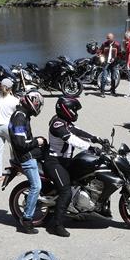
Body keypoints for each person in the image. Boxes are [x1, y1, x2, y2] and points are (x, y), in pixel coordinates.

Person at [45, 96, 98, 237]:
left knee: (83, 180)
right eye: (73, 109)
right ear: (65, 109)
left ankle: (77, 210)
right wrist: (90, 147)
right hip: (54, 162)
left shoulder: (66, 122)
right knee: (66, 191)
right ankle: (57, 225)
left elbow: (78, 132)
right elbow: (70, 138)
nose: (75, 112)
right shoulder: (57, 123)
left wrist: (95, 139)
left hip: (66, 162)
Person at [8, 91, 45, 234]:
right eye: (37, 103)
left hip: (27, 154)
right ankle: (27, 219)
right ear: (32, 102)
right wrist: (37, 141)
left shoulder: (23, 115)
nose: (38, 107)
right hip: (25, 157)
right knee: (36, 186)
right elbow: (20, 143)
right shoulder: (19, 117)